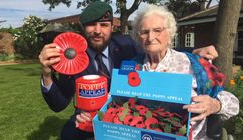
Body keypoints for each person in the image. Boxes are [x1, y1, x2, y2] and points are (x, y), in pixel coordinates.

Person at [39, 1, 221, 140]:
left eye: (103, 25)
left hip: (125, 117)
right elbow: (58, 104)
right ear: (82, 27)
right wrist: (47, 74)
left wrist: (193, 52)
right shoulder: (72, 57)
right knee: (67, 134)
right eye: (91, 25)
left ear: (112, 27)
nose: (97, 31)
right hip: (87, 116)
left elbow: (156, 45)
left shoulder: (126, 45)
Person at [131, 4, 239, 140]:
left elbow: (233, 103)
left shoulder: (195, 64)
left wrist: (215, 105)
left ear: (169, 33)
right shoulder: (132, 66)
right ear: (138, 36)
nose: (151, 37)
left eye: (157, 30)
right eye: (144, 32)